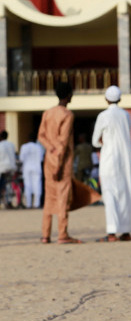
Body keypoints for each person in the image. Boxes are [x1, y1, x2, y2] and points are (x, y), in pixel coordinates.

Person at [92, 85, 131, 242]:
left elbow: (95, 141)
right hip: (125, 159)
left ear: (106, 99)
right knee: (125, 193)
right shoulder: (126, 115)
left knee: (110, 194)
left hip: (109, 159)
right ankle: (126, 231)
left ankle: (112, 232)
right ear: (120, 99)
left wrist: (102, 142)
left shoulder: (103, 116)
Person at [38, 83, 81, 244]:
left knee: (49, 196)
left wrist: (50, 149)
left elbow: (41, 136)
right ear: (68, 95)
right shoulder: (67, 115)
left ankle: (45, 234)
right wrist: (58, 163)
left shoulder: (47, 113)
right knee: (63, 198)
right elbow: (63, 142)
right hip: (61, 162)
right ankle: (62, 234)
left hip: (48, 159)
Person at [19, 132, 45, 209]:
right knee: (37, 185)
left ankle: (28, 204)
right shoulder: (39, 147)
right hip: (36, 168)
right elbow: (41, 159)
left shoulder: (24, 147)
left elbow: (21, 159)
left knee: (27, 186)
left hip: (27, 168)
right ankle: (36, 204)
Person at [0, 129, 17, 207]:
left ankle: (3, 200)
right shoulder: (12, 145)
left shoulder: (1, 145)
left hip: (3, 168)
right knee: (9, 185)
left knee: (2, 186)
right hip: (12, 167)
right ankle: (9, 201)